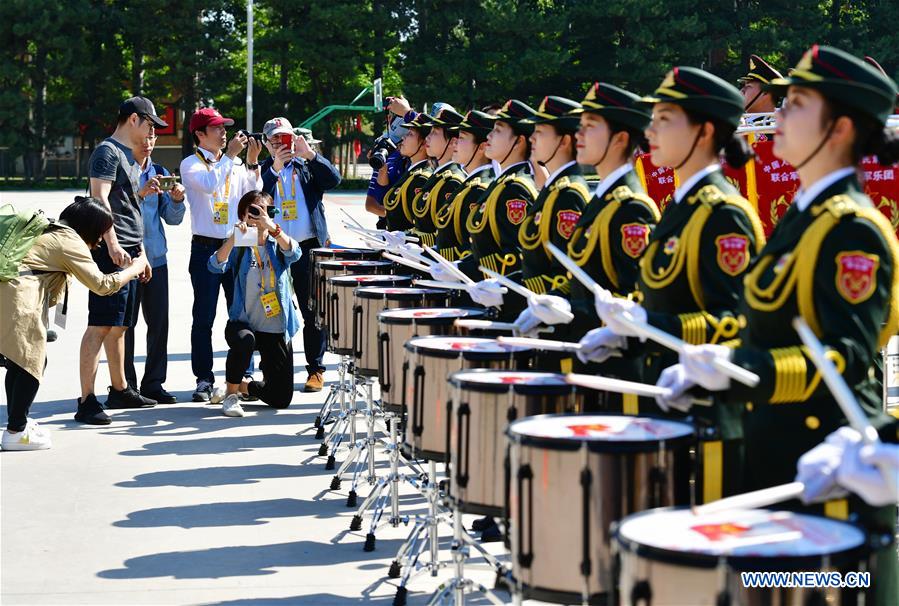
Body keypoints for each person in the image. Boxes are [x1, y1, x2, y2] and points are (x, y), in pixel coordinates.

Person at [657, 46, 899, 603]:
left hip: (830, 468)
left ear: (840, 128)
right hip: (777, 451)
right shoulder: (803, 215)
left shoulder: (852, 229)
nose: (778, 115)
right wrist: (717, 358)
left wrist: (741, 367)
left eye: (797, 104)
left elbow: (844, 355)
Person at [580, 66, 765, 503]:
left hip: (704, 417)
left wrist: (649, 323)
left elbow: (735, 321)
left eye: (665, 119)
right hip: (667, 404)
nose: (650, 131)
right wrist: (627, 331)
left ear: (704, 132)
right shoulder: (682, 207)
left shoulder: (722, 213)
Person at [519, 83, 659, 412]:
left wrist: (575, 310)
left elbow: (639, 295)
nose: (579, 134)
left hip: (615, 373)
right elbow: (583, 275)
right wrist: (556, 298)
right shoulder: (604, 199)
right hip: (591, 360)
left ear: (620, 139)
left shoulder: (630, 206)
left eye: (590, 126)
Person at [1, 197, 150, 446]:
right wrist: (135, 269)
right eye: (101, 232)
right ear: (90, 227)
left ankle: (18, 423)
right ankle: (15, 433)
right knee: (31, 362)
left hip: (8, 293)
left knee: (20, 362)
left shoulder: (51, 228)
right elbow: (102, 285)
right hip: (18, 297)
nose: (101, 239)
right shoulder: (70, 241)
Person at [78, 97, 168, 423]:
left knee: (119, 326)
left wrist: (140, 253)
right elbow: (99, 198)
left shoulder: (129, 156)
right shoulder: (107, 152)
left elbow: (129, 207)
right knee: (100, 325)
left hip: (130, 252)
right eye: (149, 125)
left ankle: (120, 390)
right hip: (110, 252)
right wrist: (113, 245)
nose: (151, 133)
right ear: (133, 119)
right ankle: (86, 400)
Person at [469, 96, 590, 330]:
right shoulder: (555, 190)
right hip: (531, 308)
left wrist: (507, 291)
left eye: (540, 132)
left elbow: (567, 273)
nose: (533, 137)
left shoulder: (567, 194)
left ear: (564, 141)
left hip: (550, 320)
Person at [180, 108, 262, 402]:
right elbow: (210, 184)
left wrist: (252, 162)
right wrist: (230, 157)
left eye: (224, 127)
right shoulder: (190, 164)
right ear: (200, 134)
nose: (224, 132)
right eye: (217, 128)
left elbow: (254, 194)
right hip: (205, 247)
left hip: (236, 245)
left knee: (240, 313)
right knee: (204, 316)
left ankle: (243, 376)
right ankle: (204, 379)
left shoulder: (234, 163)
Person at [259, 117, 341, 393]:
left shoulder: (306, 166)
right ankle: (272, 369)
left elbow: (333, 180)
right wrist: (275, 168)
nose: (281, 143)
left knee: (312, 310)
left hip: (306, 246)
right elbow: (255, 197)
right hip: (274, 248)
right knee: (272, 310)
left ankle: (315, 369)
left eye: (285, 137)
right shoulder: (264, 170)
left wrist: (311, 155)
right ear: (266, 143)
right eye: (275, 139)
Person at [207, 191, 301, 417]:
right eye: (253, 211)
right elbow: (214, 265)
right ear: (243, 215)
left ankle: (239, 386)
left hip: (274, 326)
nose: (258, 216)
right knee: (244, 341)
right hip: (244, 323)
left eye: (264, 211)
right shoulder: (241, 244)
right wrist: (234, 238)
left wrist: (272, 228)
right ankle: (231, 397)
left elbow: (295, 253)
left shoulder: (276, 242)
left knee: (281, 398)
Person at [123, 132, 186, 404]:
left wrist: (177, 200)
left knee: (159, 325)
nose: (148, 142)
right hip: (128, 261)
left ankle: (153, 383)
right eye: (143, 137)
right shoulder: (121, 171)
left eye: (152, 137)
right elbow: (114, 211)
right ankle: (125, 385)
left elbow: (172, 219)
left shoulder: (159, 171)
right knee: (125, 326)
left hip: (157, 258)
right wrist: (140, 193)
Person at [457, 100, 538, 286]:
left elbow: (515, 256)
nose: (489, 136)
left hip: (500, 292)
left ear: (519, 142)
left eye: (498, 131)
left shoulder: (515, 188)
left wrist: (465, 270)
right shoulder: (503, 183)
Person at [434, 109, 497, 261]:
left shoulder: (480, 189)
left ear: (481, 147)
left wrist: (441, 257)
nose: (455, 142)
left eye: (461, 137)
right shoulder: (470, 184)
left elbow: (475, 246)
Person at [411, 107, 466, 248]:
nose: (427, 138)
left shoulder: (452, 181)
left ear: (452, 142)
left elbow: (447, 234)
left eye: (434, 133)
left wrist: (415, 243)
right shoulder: (438, 176)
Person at [382, 113, 433, 232]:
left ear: (423, 144)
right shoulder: (411, 172)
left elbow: (420, 226)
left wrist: (403, 238)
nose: (404, 137)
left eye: (410, 134)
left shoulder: (421, 179)